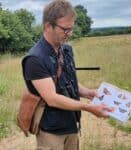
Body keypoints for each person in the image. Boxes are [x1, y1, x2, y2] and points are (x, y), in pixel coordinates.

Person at [22, 0, 114, 149]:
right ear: (47, 26)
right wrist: (89, 108)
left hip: (71, 124)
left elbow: (68, 82)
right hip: (51, 131)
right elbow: (52, 99)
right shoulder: (35, 59)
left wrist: (88, 92)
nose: (69, 34)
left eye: (71, 29)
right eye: (65, 29)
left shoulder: (66, 50)